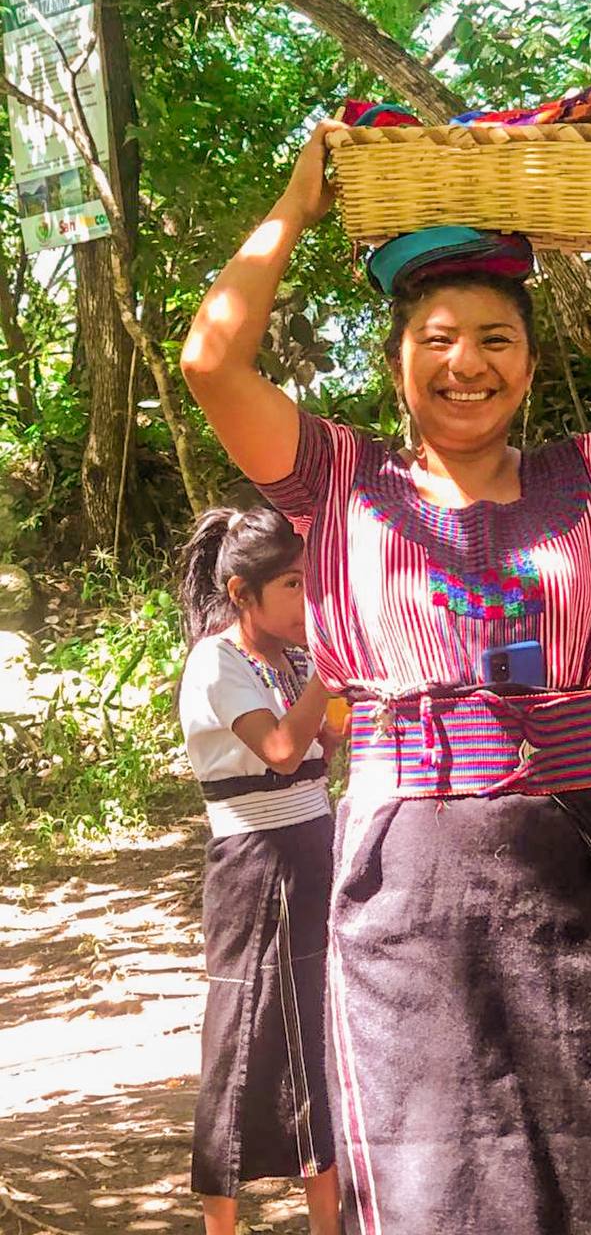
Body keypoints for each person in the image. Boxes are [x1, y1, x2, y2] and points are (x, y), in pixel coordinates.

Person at [179, 115, 591, 1234]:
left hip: (571, 852)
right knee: (423, 1166)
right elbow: (212, 360)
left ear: (532, 363)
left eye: (496, 339)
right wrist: (296, 206)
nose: (468, 363)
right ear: (399, 359)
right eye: (438, 338)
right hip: (401, 867)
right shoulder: (339, 479)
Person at [177, 506, 340, 1235]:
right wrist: (331, 679)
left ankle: (328, 1222)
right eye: (293, 584)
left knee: (320, 1032)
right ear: (242, 593)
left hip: (316, 850)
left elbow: (336, 734)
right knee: (241, 1035)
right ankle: (221, 1226)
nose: (309, 599)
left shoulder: (294, 660)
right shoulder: (216, 662)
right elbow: (279, 748)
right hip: (254, 864)